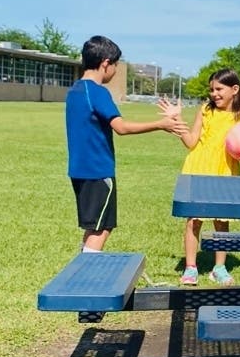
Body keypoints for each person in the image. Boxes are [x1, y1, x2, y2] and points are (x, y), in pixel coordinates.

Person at [65, 35, 186, 252]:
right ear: (106, 63)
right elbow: (121, 127)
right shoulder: (98, 92)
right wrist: (160, 124)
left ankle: (83, 264)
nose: (115, 71)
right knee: (102, 227)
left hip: (79, 170)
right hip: (98, 171)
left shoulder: (75, 90)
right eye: (116, 66)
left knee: (94, 225)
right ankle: (87, 271)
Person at [171, 68, 240, 285]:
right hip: (199, 170)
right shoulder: (205, 111)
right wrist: (177, 120)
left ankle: (219, 268)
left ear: (234, 89)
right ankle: (191, 268)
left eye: (219, 89)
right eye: (211, 90)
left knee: (221, 222)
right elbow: (191, 142)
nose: (214, 94)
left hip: (225, 173)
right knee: (193, 221)